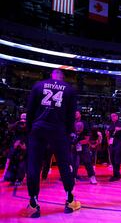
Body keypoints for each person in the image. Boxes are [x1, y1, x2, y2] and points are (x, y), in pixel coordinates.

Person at [25, 69, 80, 218]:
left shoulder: (38, 85)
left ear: (52, 75)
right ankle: (69, 200)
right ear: (63, 78)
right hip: (58, 130)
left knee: (34, 165)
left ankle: (33, 203)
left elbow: (30, 110)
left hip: (38, 128)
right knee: (64, 164)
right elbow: (71, 116)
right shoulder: (70, 90)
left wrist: (30, 129)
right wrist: (68, 133)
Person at [106, 113, 121, 181]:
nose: (113, 117)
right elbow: (109, 133)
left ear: (117, 116)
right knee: (112, 158)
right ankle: (115, 174)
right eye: (111, 116)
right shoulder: (111, 124)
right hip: (112, 143)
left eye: (114, 116)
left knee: (116, 158)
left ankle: (116, 174)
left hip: (119, 143)